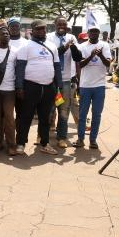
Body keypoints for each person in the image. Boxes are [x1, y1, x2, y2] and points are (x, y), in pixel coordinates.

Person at [15, 19, 62, 156]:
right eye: (39, 29)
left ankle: (45, 144)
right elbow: (20, 68)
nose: (42, 31)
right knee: (26, 117)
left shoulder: (52, 46)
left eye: (44, 29)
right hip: (30, 86)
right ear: (33, 30)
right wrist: (19, 88)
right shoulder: (26, 46)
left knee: (45, 118)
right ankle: (21, 144)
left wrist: (58, 86)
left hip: (48, 87)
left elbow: (57, 67)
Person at [71, 26, 111, 149]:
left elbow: (108, 64)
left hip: (99, 85)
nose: (94, 33)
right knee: (82, 114)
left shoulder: (104, 45)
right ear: (88, 33)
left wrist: (101, 56)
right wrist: (91, 56)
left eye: (96, 32)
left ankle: (93, 140)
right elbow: (80, 64)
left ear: (98, 34)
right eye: (92, 31)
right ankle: (80, 139)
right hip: (85, 85)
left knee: (96, 114)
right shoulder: (82, 46)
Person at [0, 23, 17, 156]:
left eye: (7, 33)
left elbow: (18, 70)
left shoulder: (15, 52)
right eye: (2, 33)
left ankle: (12, 144)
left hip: (9, 90)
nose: (5, 35)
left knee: (9, 118)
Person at [49, 17, 77, 148]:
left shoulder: (72, 37)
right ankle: (42, 135)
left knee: (64, 110)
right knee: (48, 109)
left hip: (66, 80)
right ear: (55, 25)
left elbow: (77, 58)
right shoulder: (49, 38)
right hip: (51, 79)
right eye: (59, 24)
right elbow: (53, 55)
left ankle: (62, 137)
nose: (62, 26)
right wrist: (65, 46)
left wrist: (76, 77)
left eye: (64, 24)